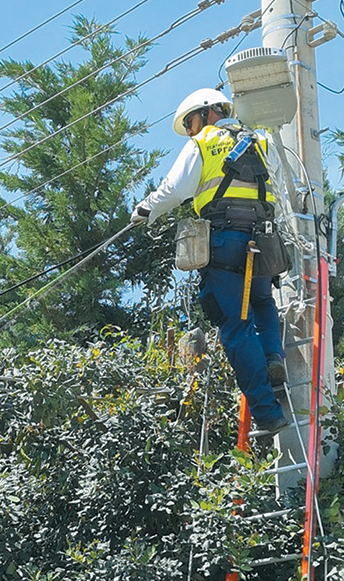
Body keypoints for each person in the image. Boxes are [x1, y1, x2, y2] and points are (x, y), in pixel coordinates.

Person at [131, 88, 289, 434]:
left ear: (206, 114)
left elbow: (175, 189)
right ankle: (273, 358)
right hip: (264, 239)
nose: (190, 131)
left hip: (225, 240)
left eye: (190, 123)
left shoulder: (204, 142)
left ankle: (266, 412)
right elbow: (281, 188)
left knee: (234, 324)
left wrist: (147, 210)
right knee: (262, 300)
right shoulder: (261, 140)